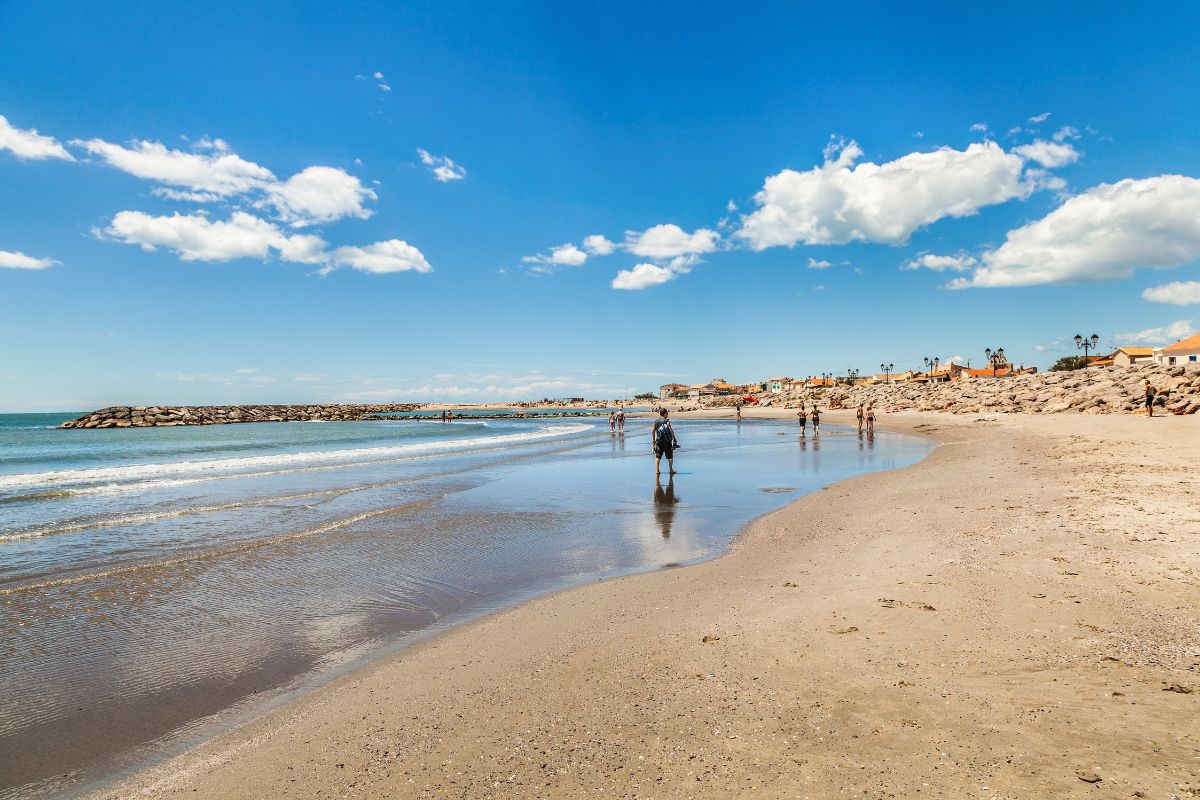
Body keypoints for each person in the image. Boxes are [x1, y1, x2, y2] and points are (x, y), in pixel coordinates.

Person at [652, 409, 679, 476]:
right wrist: (674, 439)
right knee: (670, 456)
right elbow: (670, 429)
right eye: (667, 413)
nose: (667, 414)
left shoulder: (656, 421)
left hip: (658, 441)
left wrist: (653, 441)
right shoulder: (667, 421)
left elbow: (653, 431)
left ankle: (657, 470)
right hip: (667, 441)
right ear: (664, 414)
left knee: (658, 456)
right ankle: (670, 469)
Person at [653, 474, 678, 539]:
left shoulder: (663, 524)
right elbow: (655, 512)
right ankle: (668, 475)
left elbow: (672, 512)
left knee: (666, 487)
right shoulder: (659, 525)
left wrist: (674, 503)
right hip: (664, 504)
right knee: (662, 487)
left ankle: (658, 472)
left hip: (664, 504)